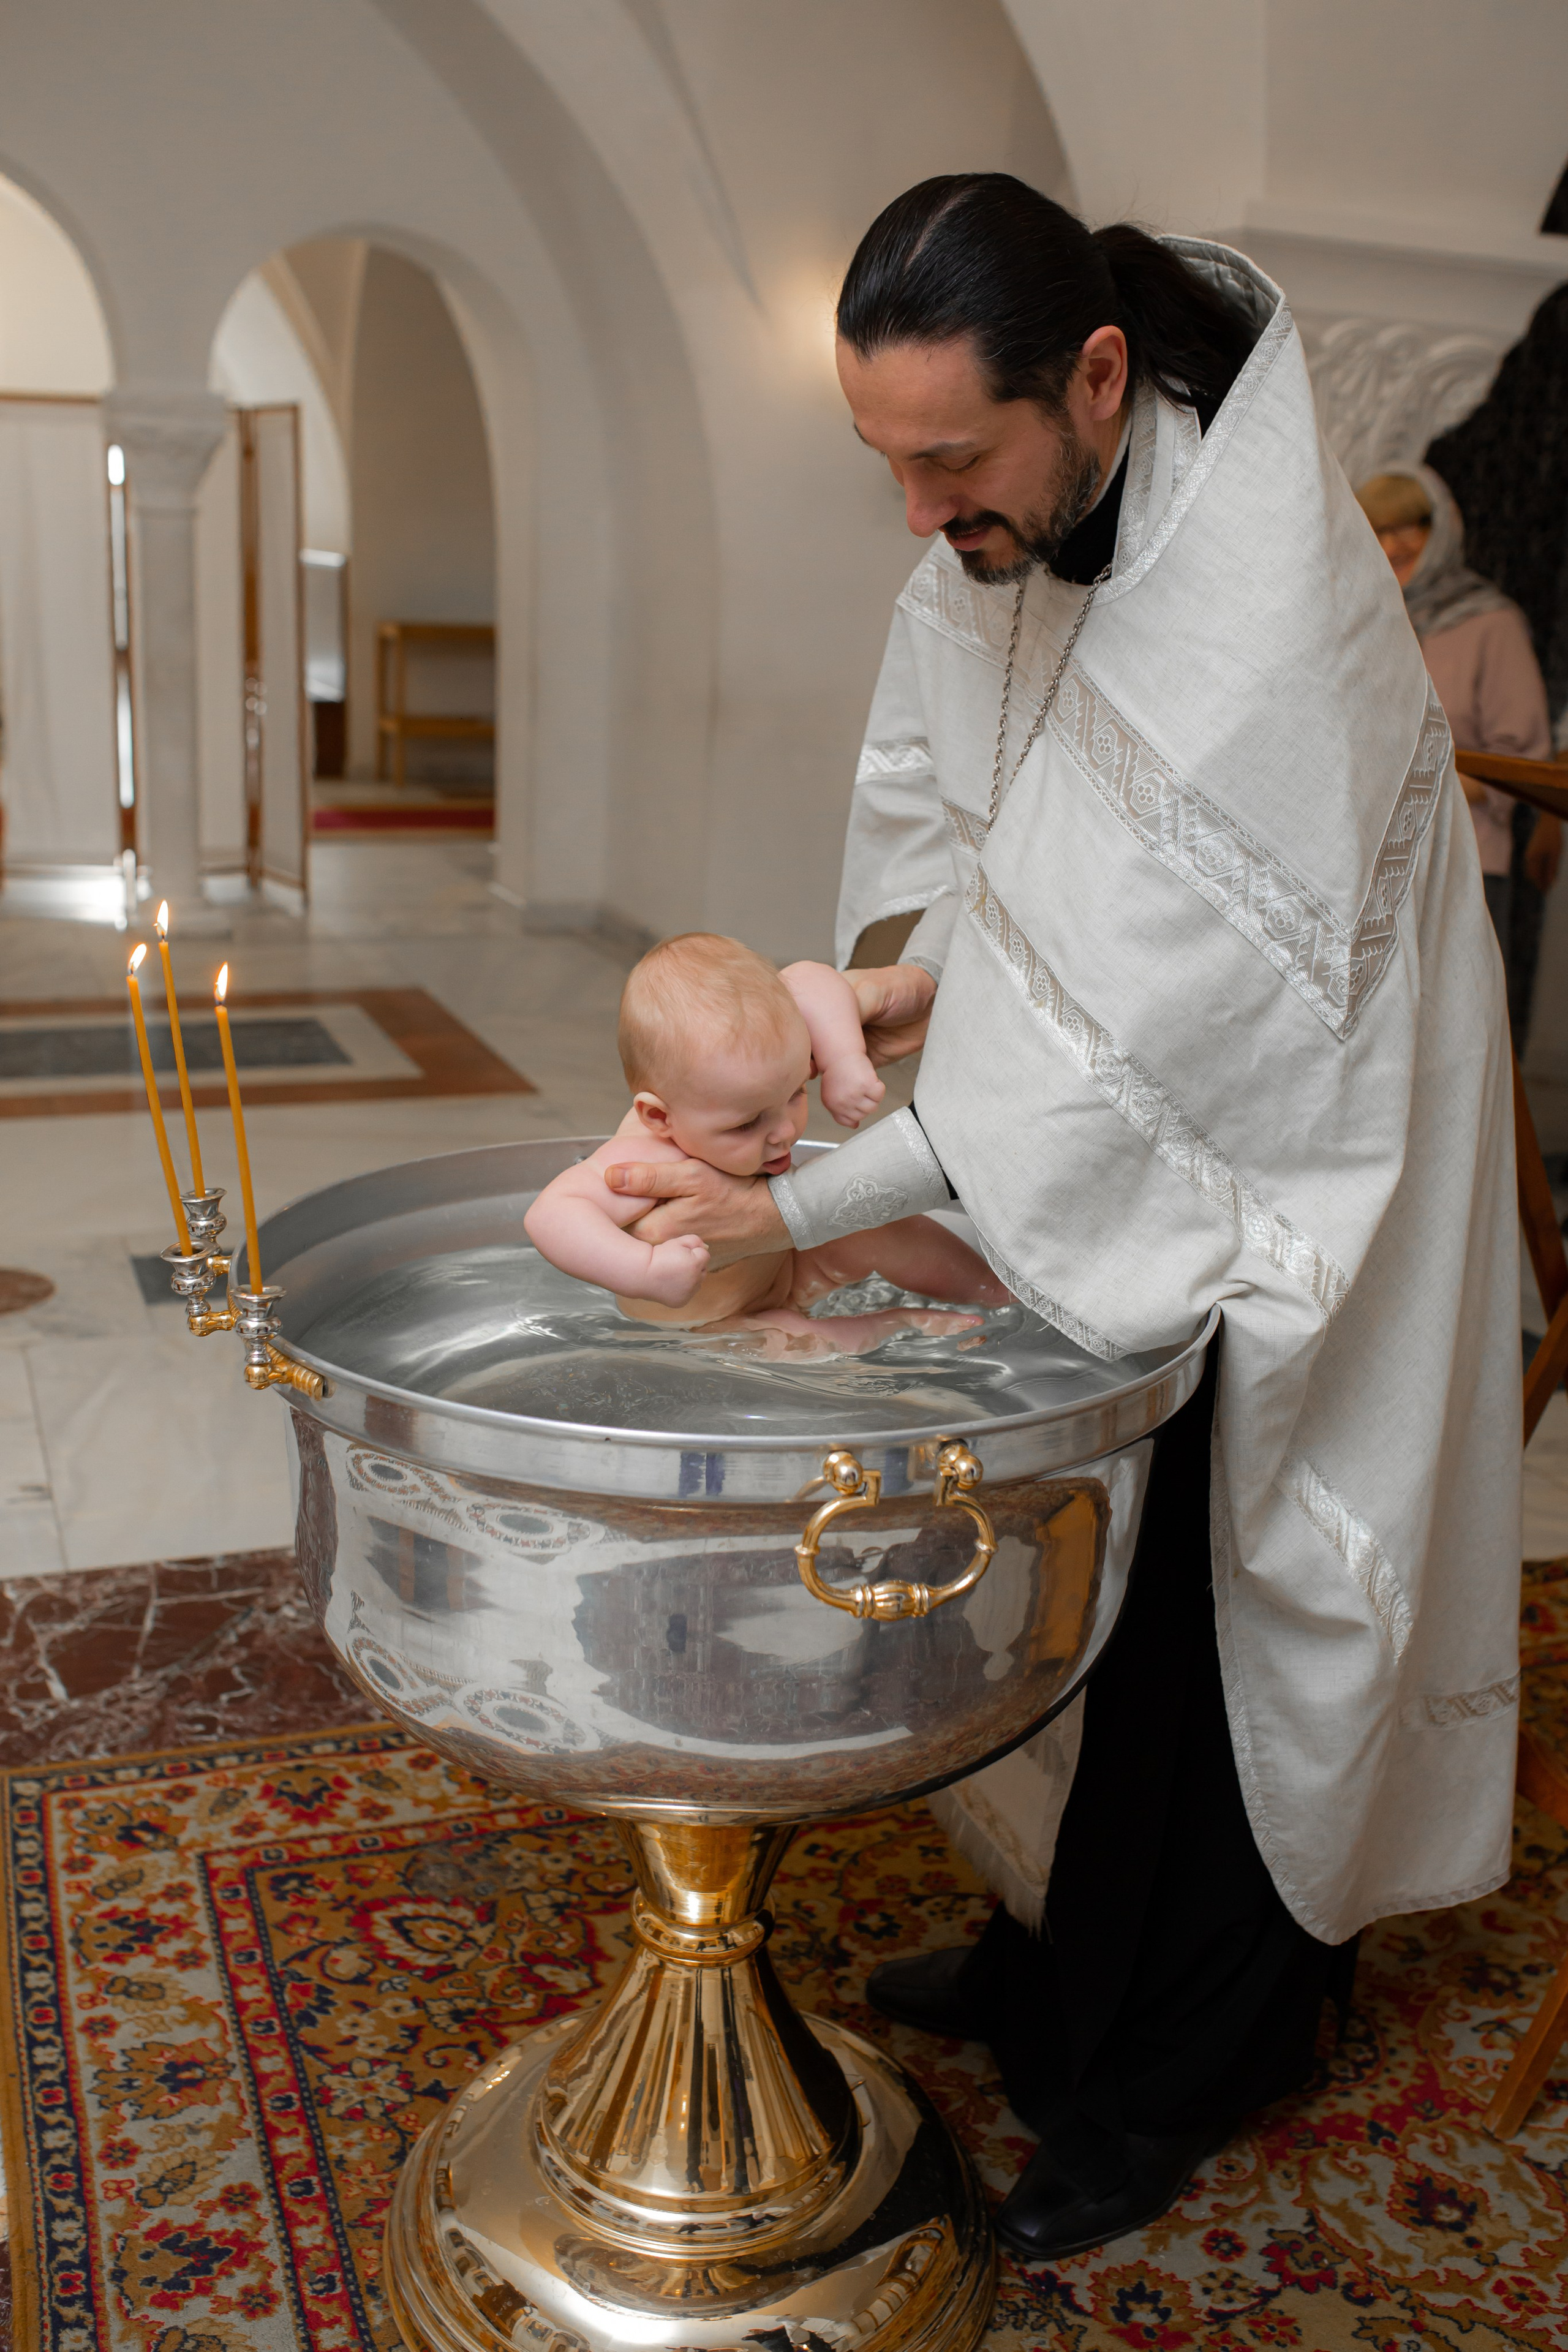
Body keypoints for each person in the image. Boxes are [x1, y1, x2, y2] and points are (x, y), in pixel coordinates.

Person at [600, 177, 1521, 2260]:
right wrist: (896, 991)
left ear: (1096, 379)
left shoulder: (1259, 606)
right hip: (1132, 1121)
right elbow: (948, 830)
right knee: (1083, 1573)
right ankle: (1050, 1971)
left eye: (953, 459)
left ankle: (1178, 2068)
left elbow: (1130, 1024)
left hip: (1301, 1161)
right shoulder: (1006, 523)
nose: (922, 514)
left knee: (1216, 1592)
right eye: (887, 462)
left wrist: (781, 1218)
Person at [523, 930, 1001, 1343]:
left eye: (795, 1093)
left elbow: (812, 980)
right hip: (714, 1325)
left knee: (876, 1221)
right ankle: (893, 1325)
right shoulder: (645, 1155)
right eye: (746, 1124)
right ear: (659, 1117)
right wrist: (644, 1272)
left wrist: (843, 1059)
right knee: (795, 1343)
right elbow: (551, 1215)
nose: (783, 1134)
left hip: (787, 1266)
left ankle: (995, 1292)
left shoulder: (760, 1065)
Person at [1357, 464, 1556, 965]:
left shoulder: (1491, 624)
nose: (1391, 544)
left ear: (1442, 526)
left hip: (1464, 862)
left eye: (1408, 524)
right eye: (1376, 528)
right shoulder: (1362, 621)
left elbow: (1521, 761)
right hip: (1364, 868)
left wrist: (1403, 782)